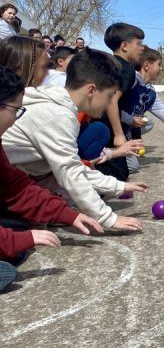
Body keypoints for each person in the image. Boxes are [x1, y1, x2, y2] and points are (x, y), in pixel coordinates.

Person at [2, 49, 146, 231]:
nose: (109, 103)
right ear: (92, 90)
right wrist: (108, 218)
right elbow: (71, 173)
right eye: (109, 96)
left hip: (20, 175)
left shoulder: (60, 106)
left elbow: (75, 167)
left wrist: (118, 186)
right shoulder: (58, 115)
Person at [0, 66, 104, 292]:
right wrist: (18, 240)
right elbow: (70, 171)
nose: (16, 119)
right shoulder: (58, 116)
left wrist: (67, 214)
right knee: (10, 260)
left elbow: (16, 188)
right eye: (15, 110)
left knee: (17, 233)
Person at [93, 23, 145, 181]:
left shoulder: (110, 63)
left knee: (107, 169)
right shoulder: (125, 68)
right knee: (117, 174)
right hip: (107, 129)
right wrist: (119, 134)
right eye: (139, 43)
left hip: (98, 126)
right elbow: (111, 100)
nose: (142, 48)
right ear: (124, 46)